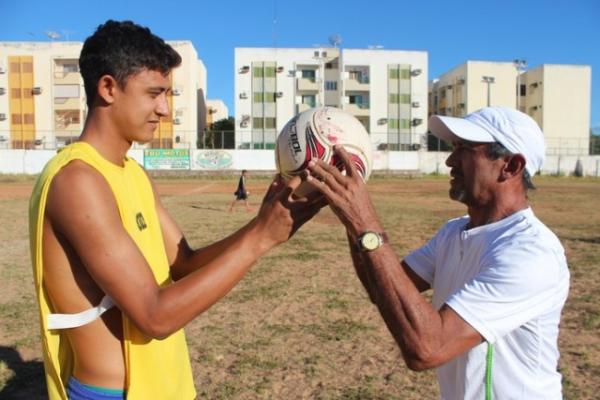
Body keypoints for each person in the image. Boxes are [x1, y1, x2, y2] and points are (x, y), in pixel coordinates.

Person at [29, 20, 321, 400]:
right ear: (107, 88)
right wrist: (258, 241)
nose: (164, 109)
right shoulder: (77, 182)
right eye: (154, 93)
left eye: (166, 94)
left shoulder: (132, 172)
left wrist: (262, 224)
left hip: (164, 386)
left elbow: (183, 263)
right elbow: (154, 316)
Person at [305, 107, 570, 399]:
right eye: (453, 148)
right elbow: (380, 288)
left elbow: (428, 348)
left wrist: (363, 221)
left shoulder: (531, 253)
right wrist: (351, 220)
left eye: (465, 149)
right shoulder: (452, 233)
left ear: (511, 165)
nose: (449, 160)